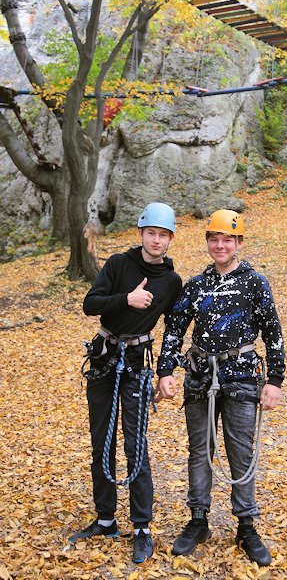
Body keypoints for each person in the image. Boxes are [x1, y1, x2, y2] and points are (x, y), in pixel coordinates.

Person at [155, 209, 285, 567]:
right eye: (214, 238)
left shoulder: (254, 283)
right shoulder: (196, 286)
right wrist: (164, 370)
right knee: (200, 450)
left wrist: (275, 379)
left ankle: (246, 525)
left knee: (241, 453)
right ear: (207, 242)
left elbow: (272, 331)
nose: (220, 245)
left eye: (228, 239)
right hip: (200, 378)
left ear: (239, 243)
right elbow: (174, 328)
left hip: (242, 377)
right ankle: (198, 520)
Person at [68, 202, 182, 564]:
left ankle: (142, 527)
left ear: (170, 239)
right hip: (105, 359)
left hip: (135, 362)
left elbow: (175, 330)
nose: (156, 241)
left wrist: (167, 371)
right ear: (141, 233)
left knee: (136, 445)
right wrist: (126, 300)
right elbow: (91, 303)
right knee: (101, 440)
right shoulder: (118, 264)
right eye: (151, 233)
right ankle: (105, 520)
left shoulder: (171, 282)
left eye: (163, 235)